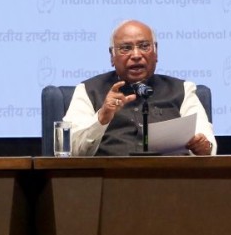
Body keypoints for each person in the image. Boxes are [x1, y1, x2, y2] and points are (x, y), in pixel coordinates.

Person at [62, 19, 216, 156]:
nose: (136, 55)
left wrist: (202, 147)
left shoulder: (183, 90)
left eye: (144, 46)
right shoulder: (88, 91)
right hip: (110, 180)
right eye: (126, 48)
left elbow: (206, 143)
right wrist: (101, 117)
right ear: (112, 56)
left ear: (156, 52)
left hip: (171, 181)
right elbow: (70, 150)